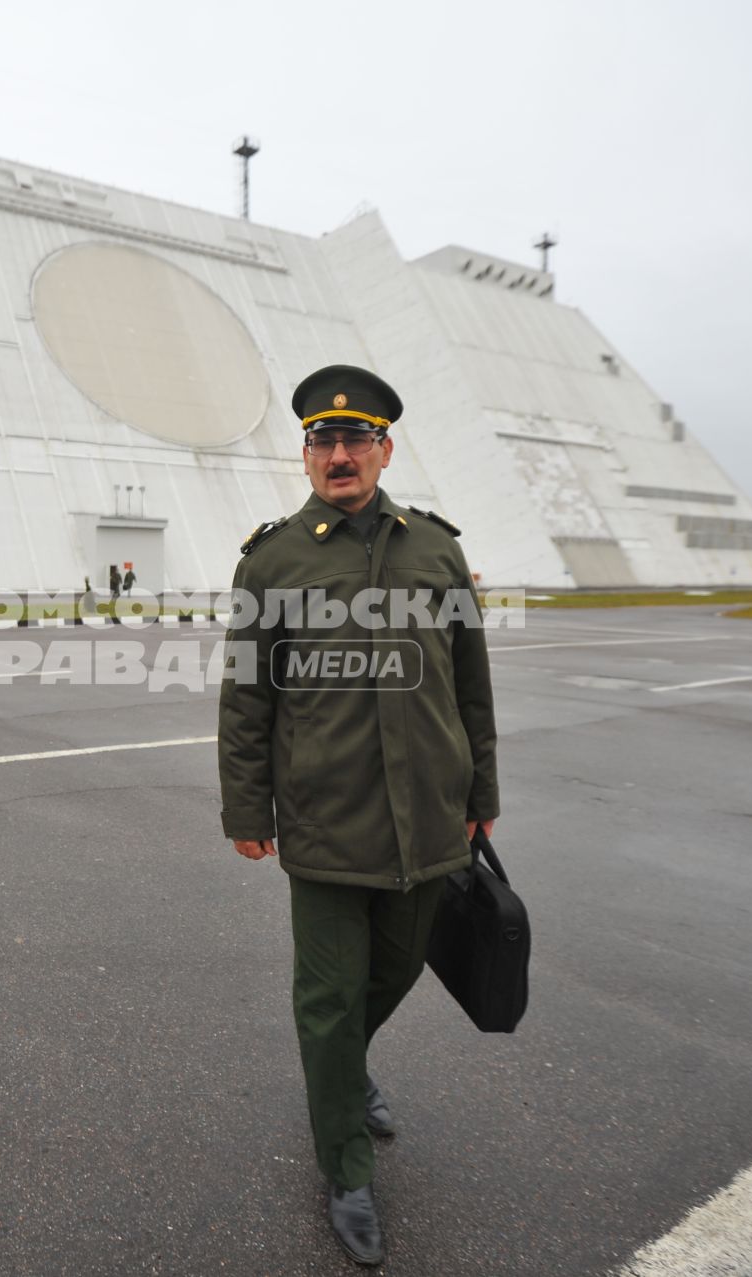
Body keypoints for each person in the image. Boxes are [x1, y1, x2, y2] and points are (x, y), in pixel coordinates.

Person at [216, 364, 500, 1267]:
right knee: (330, 999)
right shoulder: (275, 559)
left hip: (430, 819)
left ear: (385, 447)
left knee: (399, 967)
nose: (339, 454)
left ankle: (343, 1073)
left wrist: (480, 798)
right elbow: (245, 699)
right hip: (325, 822)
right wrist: (244, 805)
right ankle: (344, 1165)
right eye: (322, 440)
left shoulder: (437, 552)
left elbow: (470, 685)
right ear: (304, 454)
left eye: (356, 438)